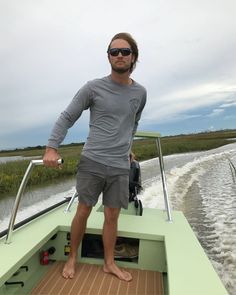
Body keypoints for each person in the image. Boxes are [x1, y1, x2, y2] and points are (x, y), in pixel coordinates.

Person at [43, 32, 146, 282]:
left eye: (124, 52)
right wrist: (51, 147)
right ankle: (71, 258)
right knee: (83, 210)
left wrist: (129, 145)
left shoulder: (140, 93)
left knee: (112, 216)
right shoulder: (93, 87)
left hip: (120, 165)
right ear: (108, 57)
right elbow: (67, 117)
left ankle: (109, 263)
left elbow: (133, 123)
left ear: (133, 57)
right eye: (114, 52)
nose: (119, 56)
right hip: (93, 161)